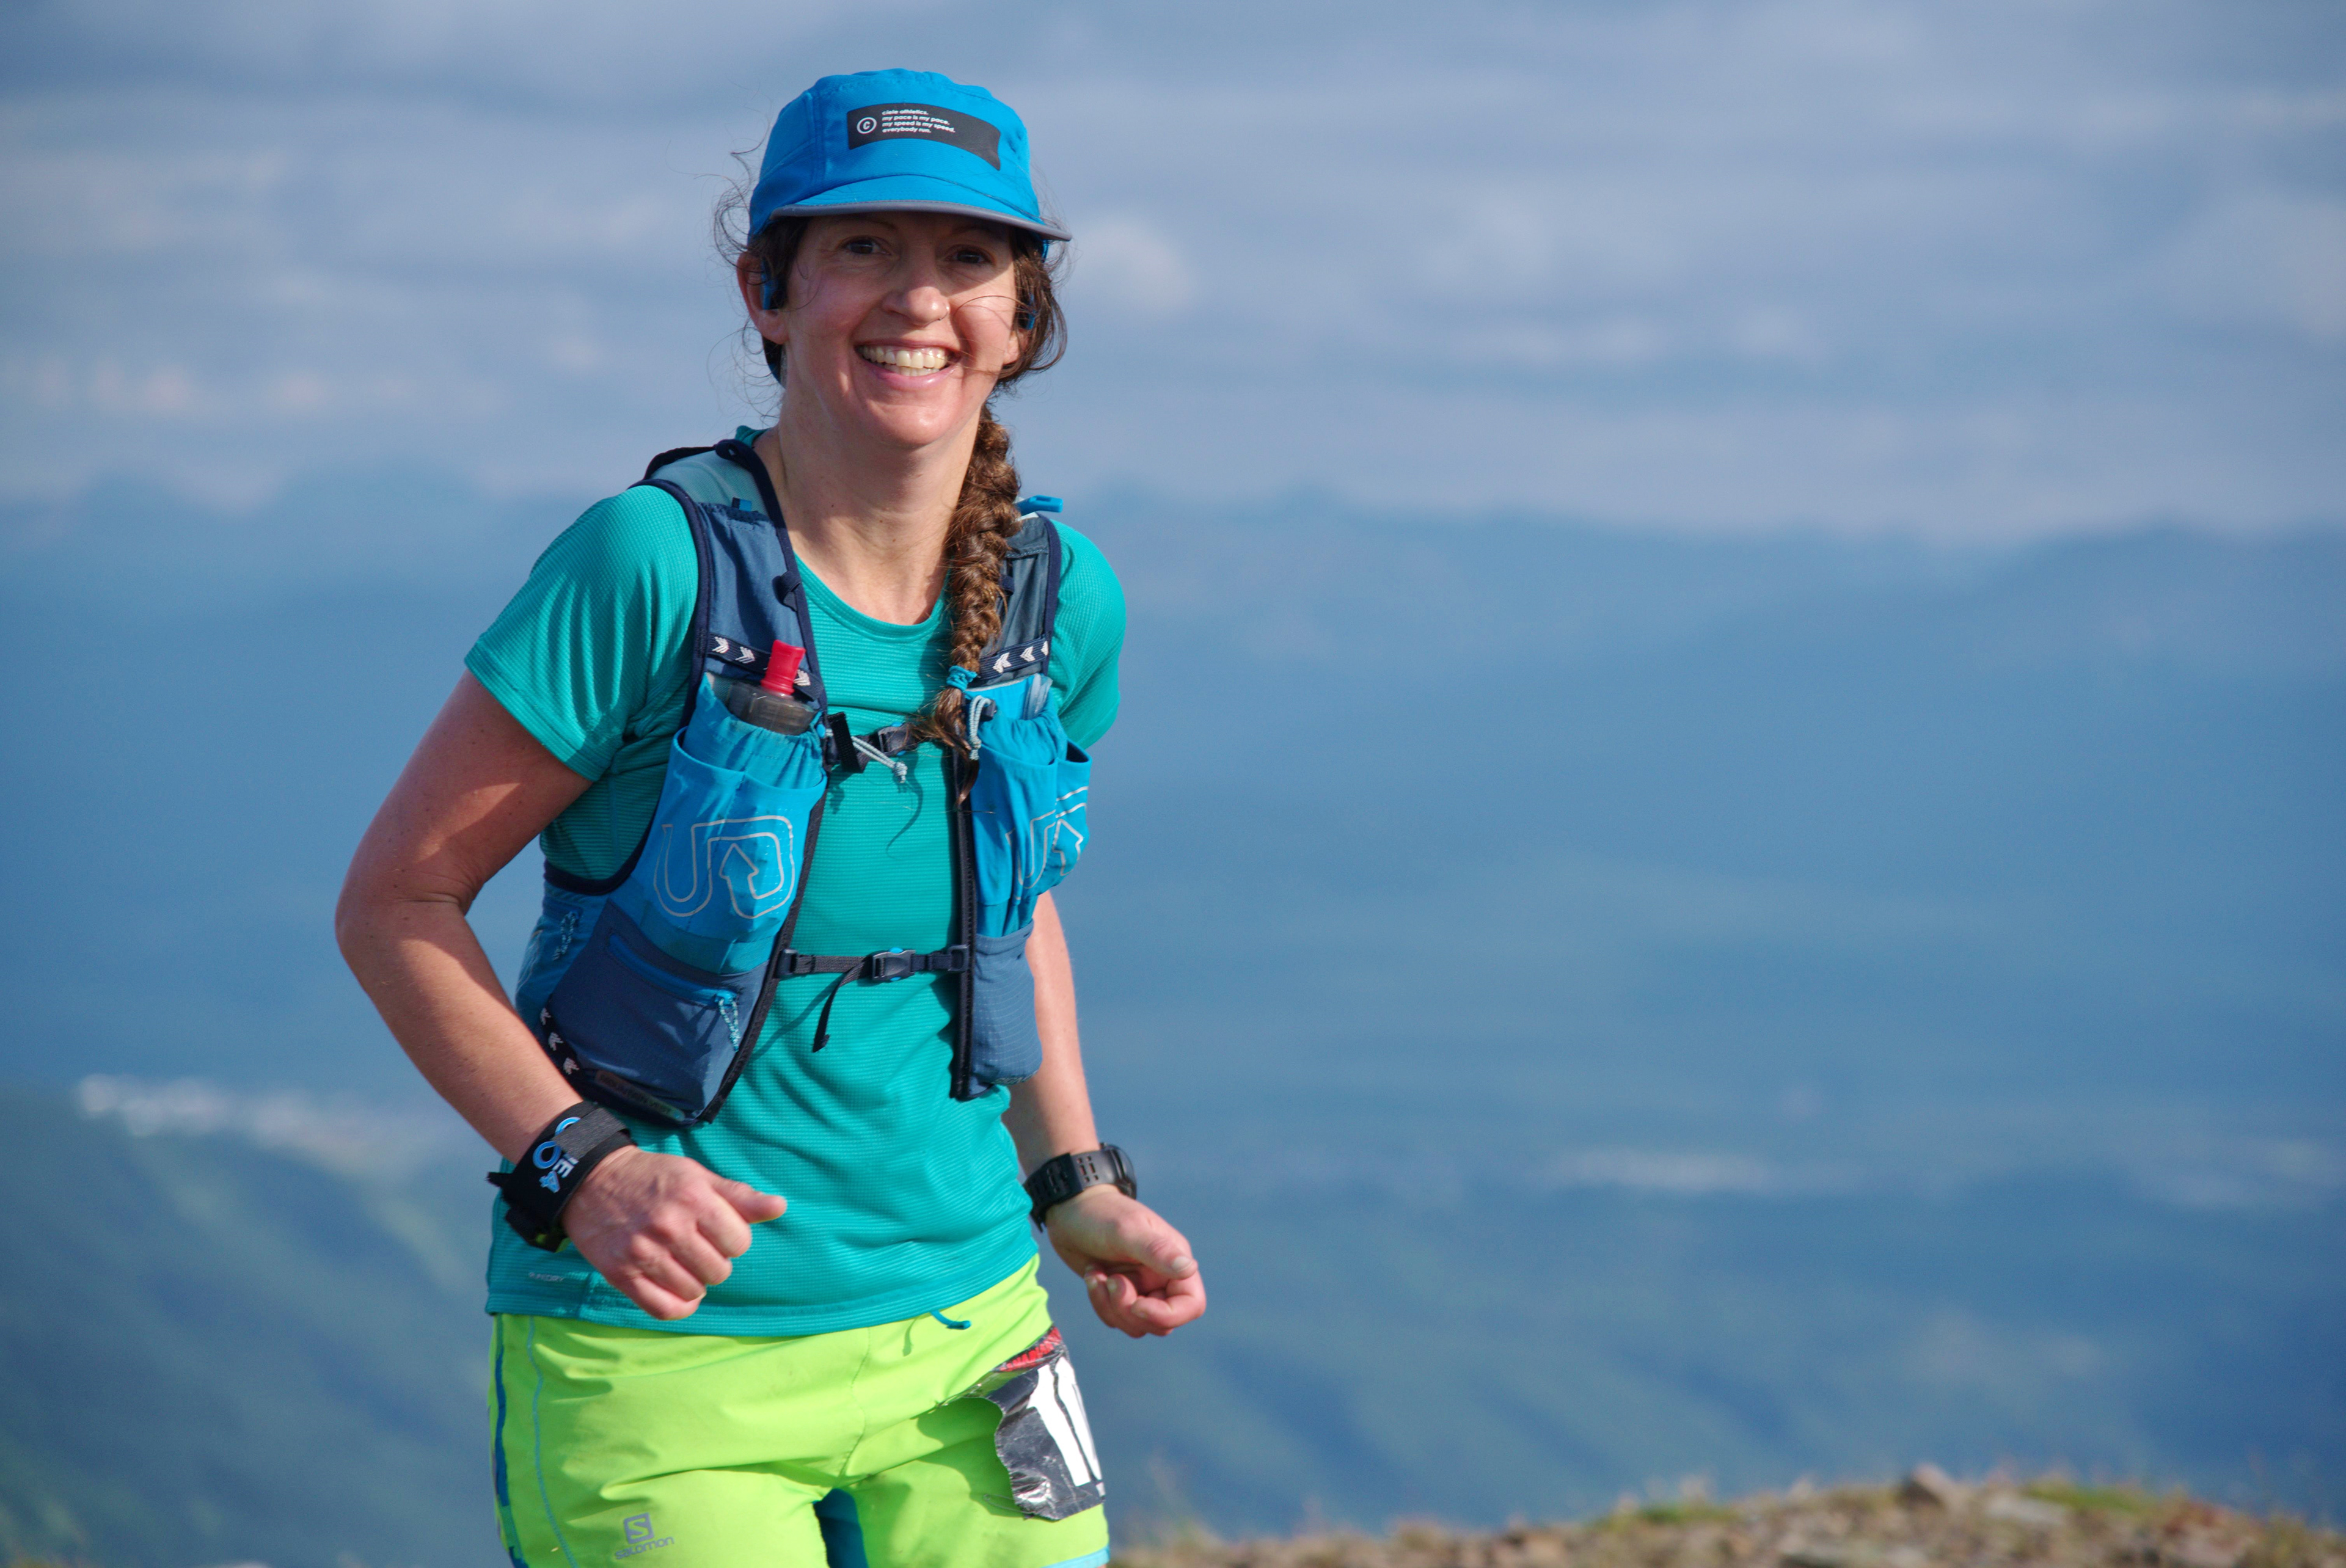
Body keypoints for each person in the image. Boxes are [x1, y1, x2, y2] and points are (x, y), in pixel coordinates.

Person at [337, 68, 1203, 1568]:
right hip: (664, 1351)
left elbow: (1008, 908)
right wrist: (581, 1165)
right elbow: (398, 904)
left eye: (969, 257)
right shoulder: (649, 567)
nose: (917, 296)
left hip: (974, 1336)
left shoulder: (1065, 602)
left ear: (1023, 317)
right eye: (865, 246)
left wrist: (1072, 1182)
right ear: (772, 289)